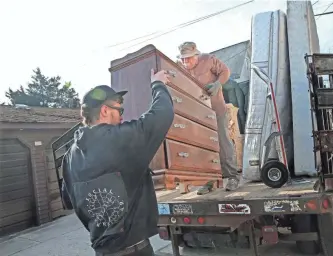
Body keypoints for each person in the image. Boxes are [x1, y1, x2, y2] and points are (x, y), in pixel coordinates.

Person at [60, 69, 174, 256]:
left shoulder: (70, 156)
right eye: (119, 109)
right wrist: (158, 84)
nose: (122, 115)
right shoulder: (118, 139)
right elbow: (162, 114)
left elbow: (69, 199)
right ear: (105, 110)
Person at [176, 41, 239, 193]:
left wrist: (218, 84)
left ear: (196, 55)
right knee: (204, 148)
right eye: (183, 59)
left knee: (223, 142)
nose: (186, 62)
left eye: (189, 58)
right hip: (199, 115)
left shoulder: (208, 59)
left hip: (216, 109)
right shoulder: (181, 69)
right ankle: (209, 181)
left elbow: (225, 71)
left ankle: (231, 177)